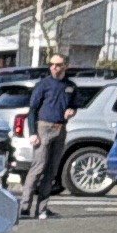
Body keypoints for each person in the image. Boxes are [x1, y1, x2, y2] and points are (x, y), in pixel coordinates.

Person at [20, 51, 78, 218]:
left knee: (52, 170)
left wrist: (71, 111)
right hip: (44, 128)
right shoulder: (44, 85)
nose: (54, 67)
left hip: (61, 129)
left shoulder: (71, 86)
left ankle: (42, 209)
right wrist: (32, 133)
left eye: (58, 65)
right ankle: (25, 207)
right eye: (52, 64)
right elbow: (32, 110)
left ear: (65, 66)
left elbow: (74, 105)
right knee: (38, 167)